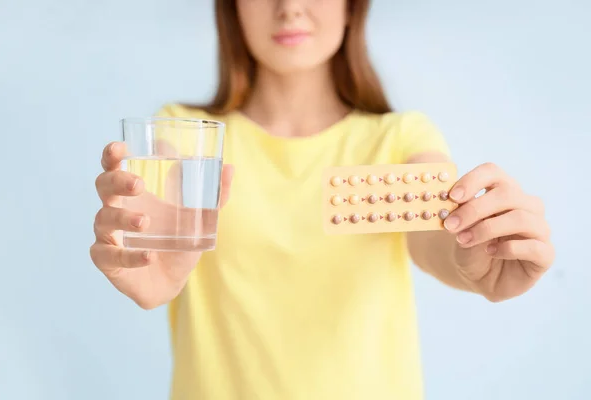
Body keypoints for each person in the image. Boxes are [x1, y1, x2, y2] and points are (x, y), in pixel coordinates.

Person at [90, 0, 555, 399]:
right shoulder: (187, 136)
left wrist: (477, 256)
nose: (289, 7)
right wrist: (148, 253)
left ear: (353, 6)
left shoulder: (400, 138)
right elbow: (162, 201)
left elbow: (433, 235)